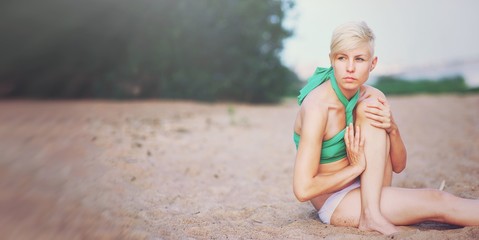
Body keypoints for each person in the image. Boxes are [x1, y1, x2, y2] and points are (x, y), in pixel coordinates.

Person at [292, 21, 479, 235]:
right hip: (336, 201)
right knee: (437, 201)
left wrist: (393, 129)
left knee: (372, 104)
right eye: (342, 58)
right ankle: (370, 216)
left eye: (359, 59)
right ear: (332, 60)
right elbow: (303, 189)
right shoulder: (318, 107)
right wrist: (355, 168)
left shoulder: (372, 96)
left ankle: (372, 212)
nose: (350, 68)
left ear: (373, 63)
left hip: (370, 187)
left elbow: (399, 166)